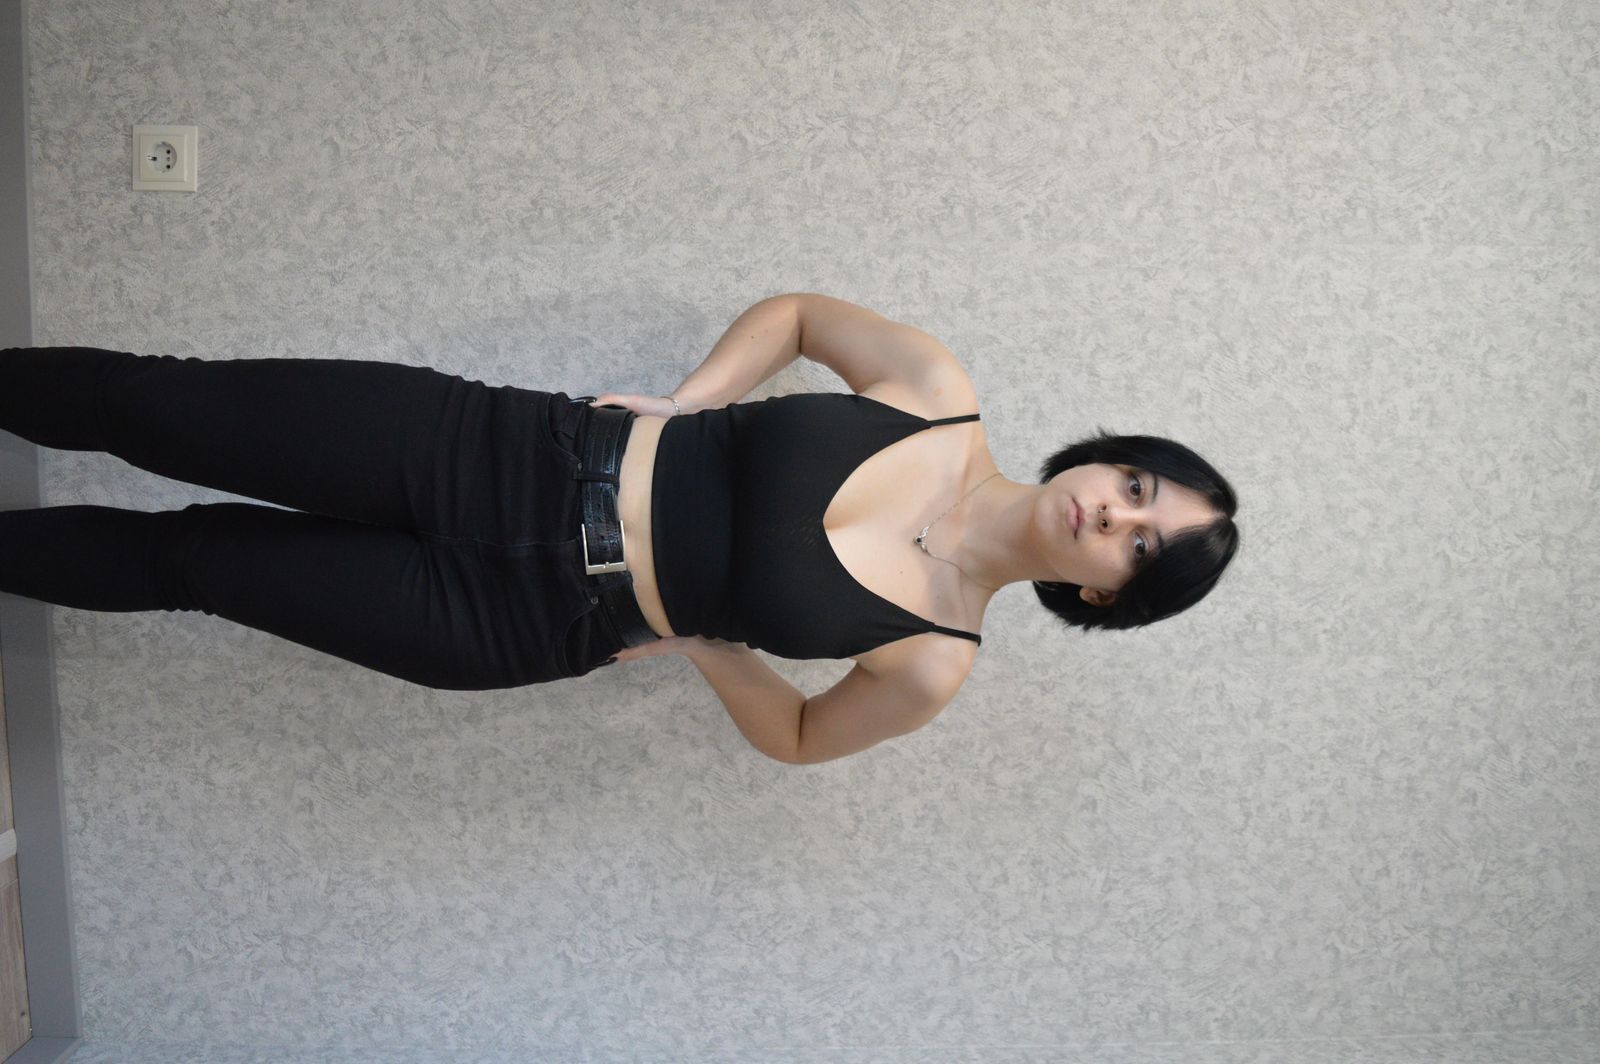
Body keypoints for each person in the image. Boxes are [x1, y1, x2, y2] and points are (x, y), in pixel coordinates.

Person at [0, 293, 1238, 764]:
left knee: (194, 562)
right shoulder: (933, 390)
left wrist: (707, 646)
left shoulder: (932, 662)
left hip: (512, 621)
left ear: (1104, 596)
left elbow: (802, 737)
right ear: (1108, 456)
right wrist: (695, 399)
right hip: (498, 447)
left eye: (1138, 542)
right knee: (157, 404)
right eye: (1136, 483)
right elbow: (799, 313)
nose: (1111, 509)